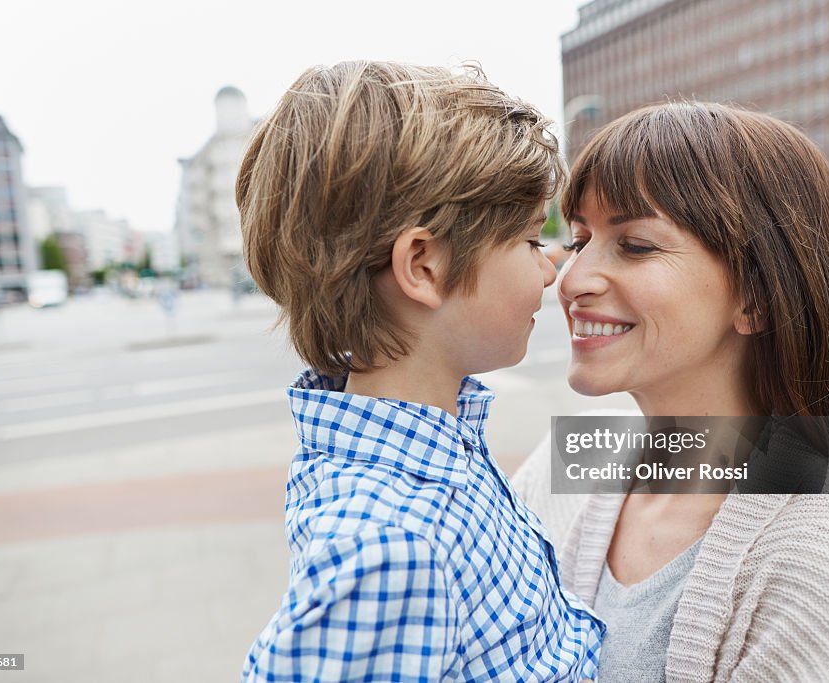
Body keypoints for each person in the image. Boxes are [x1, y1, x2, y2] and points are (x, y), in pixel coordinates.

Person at [512, 102, 829, 682]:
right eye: (581, 239)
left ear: (756, 298)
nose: (571, 280)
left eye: (635, 245)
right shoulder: (565, 465)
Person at [236, 61, 603, 681]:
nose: (551, 272)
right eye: (529, 241)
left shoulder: (434, 448)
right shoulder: (389, 549)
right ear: (424, 266)